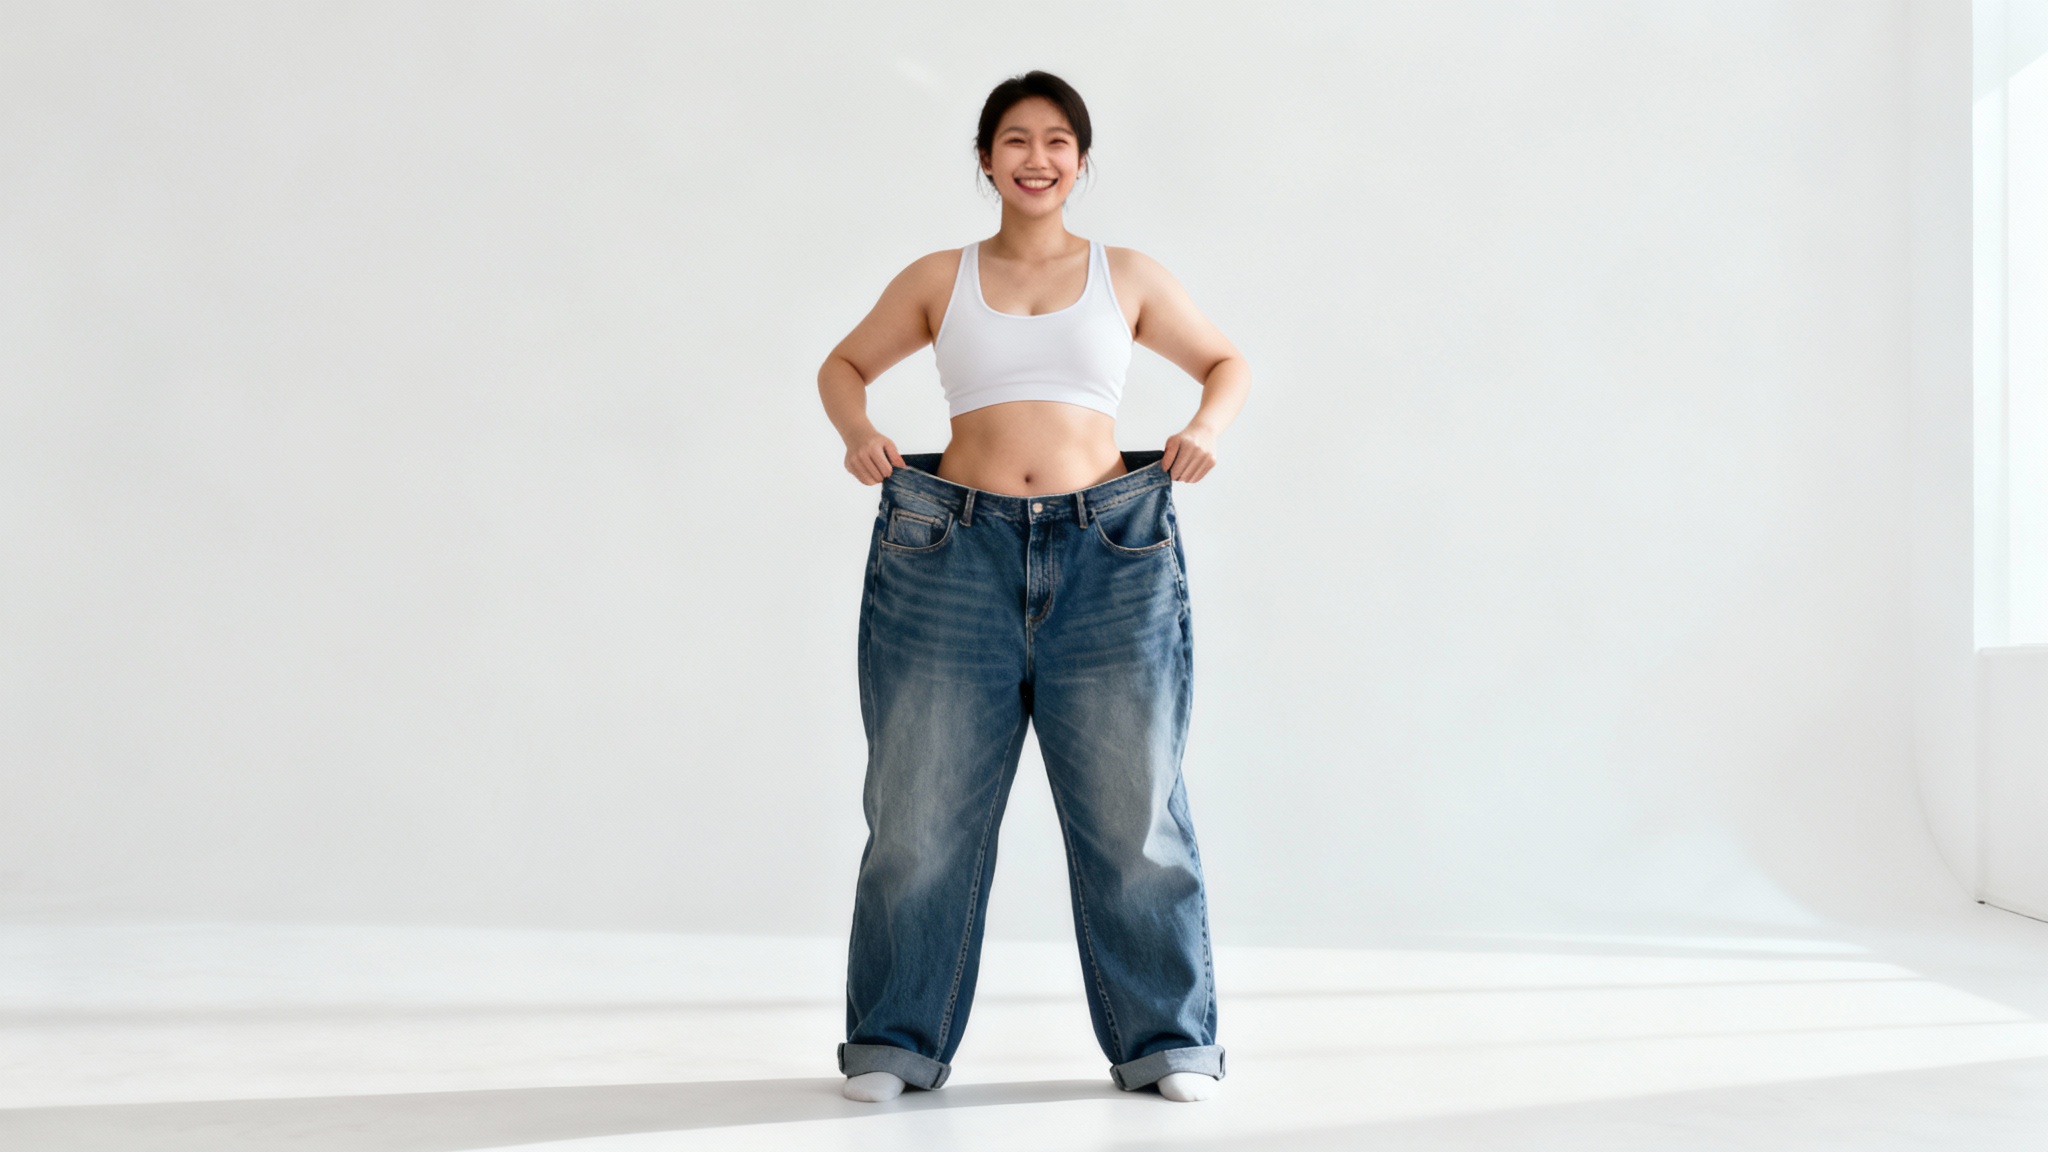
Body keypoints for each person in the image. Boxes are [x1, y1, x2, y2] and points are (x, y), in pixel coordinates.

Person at [815, 70, 1250, 1105]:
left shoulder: (1127, 275)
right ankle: (893, 1044)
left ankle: (1167, 1043)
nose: (1037, 158)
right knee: (917, 811)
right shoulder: (939, 275)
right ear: (984, 159)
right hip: (946, 552)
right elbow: (842, 365)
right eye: (1016, 140)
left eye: (1058, 141)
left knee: (1133, 807)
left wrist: (1201, 430)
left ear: (1081, 163)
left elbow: (1225, 361)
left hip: (1110, 549)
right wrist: (857, 435)